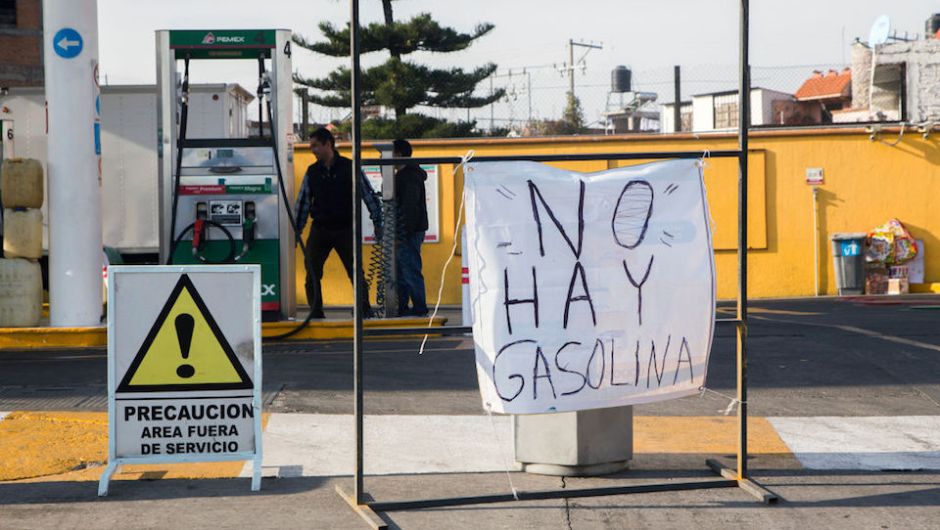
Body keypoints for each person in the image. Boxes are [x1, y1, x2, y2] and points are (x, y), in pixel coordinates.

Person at [294, 127, 382, 318]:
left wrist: (378, 221)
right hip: (320, 229)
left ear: (328, 144)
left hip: (345, 229)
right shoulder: (312, 172)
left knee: (355, 272)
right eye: (311, 146)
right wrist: (296, 232)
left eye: (315, 145)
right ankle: (316, 312)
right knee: (312, 272)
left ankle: (363, 310)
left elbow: (368, 195)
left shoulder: (349, 167)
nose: (312, 150)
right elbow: (302, 203)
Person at [391, 139, 429, 316]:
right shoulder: (408, 175)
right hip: (409, 230)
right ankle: (404, 307)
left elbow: (409, 208)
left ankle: (419, 308)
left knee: (409, 268)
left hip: (408, 232)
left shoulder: (408, 177)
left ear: (398, 154)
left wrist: (402, 234)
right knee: (402, 270)